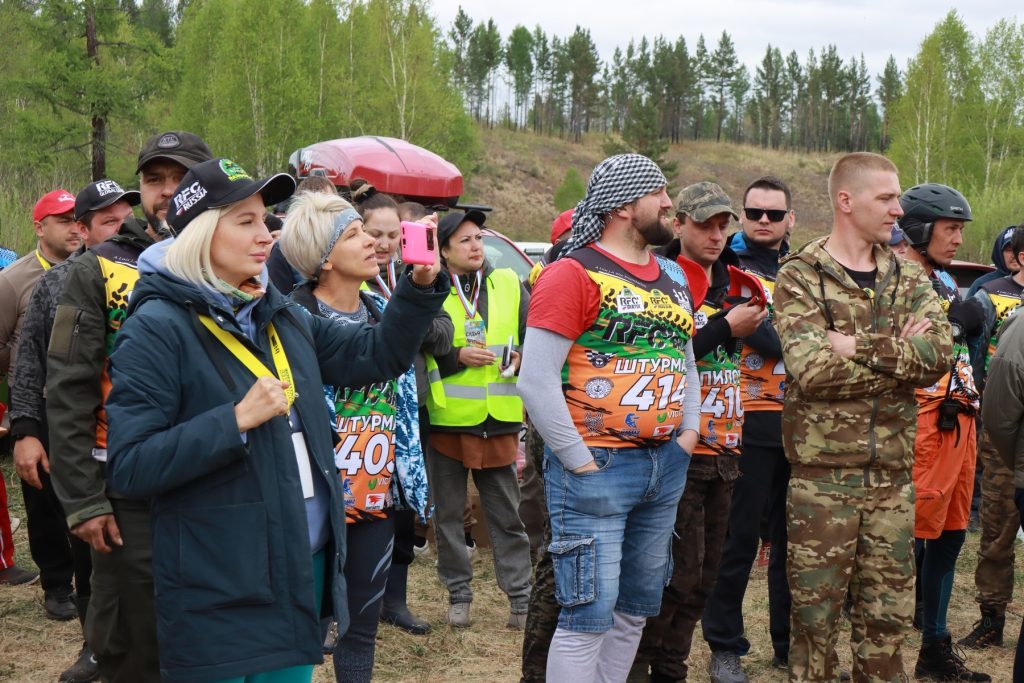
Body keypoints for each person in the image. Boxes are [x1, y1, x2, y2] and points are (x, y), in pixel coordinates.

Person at [104, 157, 447, 683]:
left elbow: (376, 354)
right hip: (218, 575)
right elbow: (130, 465)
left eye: (265, 218)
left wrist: (419, 289)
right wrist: (234, 420)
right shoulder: (156, 327)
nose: (265, 233)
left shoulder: (280, 315)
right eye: (244, 221)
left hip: (300, 560)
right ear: (199, 235)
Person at [519, 153, 699, 682]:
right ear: (624, 205)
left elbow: (683, 358)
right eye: (659, 193)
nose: (670, 203)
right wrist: (578, 461)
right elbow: (535, 379)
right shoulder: (572, 274)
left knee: (635, 609)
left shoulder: (670, 275)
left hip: (663, 466)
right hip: (596, 468)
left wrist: (686, 436)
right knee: (586, 615)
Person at [774, 152, 951, 682]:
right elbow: (812, 372)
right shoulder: (801, 275)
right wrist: (898, 354)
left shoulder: (907, 277)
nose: (899, 209)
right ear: (846, 202)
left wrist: (853, 345)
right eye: (887, 198)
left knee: (887, 625)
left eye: (897, 198)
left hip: (893, 483)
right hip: (822, 484)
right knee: (815, 625)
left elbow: (938, 358)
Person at [46, 130, 213, 683]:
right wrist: (83, 502)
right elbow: (69, 387)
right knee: (133, 639)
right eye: (153, 179)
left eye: (179, 177)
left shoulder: (243, 258)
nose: (165, 191)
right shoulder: (99, 266)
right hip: (125, 480)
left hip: (216, 474)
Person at [278, 190, 436, 680]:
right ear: (323, 258)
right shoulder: (292, 320)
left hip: (374, 496)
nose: (373, 243)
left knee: (361, 630)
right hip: (316, 504)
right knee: (308, 629)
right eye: (354, 235)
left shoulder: (383, 308)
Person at [634, 181, 767, 682]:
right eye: (704, 224)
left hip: (727, 447)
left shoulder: (737, 281)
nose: (715, 235)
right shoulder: (663, 278)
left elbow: (772, 337)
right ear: (679, 223)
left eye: (722, 225)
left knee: (706, 579)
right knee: (675, 575)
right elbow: (666, 352)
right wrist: (724, 328)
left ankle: (672, 669)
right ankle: (638, 667)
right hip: (679, 449)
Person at [9, 179, 139, 681]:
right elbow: (28, 364)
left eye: (124, 216)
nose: (120, 227)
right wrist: (25, 428)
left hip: (138, 438)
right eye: (107, 220)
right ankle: (94, 644)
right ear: (81, 231)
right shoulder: (54, 284)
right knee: (91, 549)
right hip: (80, 440)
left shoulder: (154, 268)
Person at [895, 183, 991, 681]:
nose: (957, 239)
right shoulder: (893, 278)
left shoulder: (947, 281)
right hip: (922, 423)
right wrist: (956, 323)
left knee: (952, 537)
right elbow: (902, 343)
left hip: (961, 418)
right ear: (918, 229)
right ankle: (884, 648)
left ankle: (934, 646)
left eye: (959, 229)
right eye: (949, 228)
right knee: (907, 537)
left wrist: (964, 322)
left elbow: (960, 331)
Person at [347, 189, 451, 636]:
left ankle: (396, 599)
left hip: (410, 410)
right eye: (375, 233)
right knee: (362, 505)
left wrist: (406, 317)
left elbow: (445, 333)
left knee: (404, 504)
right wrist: (397, 321)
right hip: (361, 410)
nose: (385, 243)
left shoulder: (415, 275)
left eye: (393, 234)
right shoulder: (353, 274)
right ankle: (349, 602)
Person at [702, 176, 794, 683]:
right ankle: (724, 644)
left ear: (789, 220)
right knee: (738, 537)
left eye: (774, 214)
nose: (763, 221)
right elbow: (766, 334)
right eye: (754, 212)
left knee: (794, 540)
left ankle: (788, 643)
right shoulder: (726, 269)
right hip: (746, 415)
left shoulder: (805, 269)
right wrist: (818, 344)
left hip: (803, 419)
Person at [424, 208, 533, 629]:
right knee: (449, 514)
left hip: (500, 418)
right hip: (449, 418)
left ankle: (520, 600)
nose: (475, 246)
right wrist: (457, 355)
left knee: (507, 515)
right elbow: (418, 341)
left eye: (479, 237)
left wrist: (523, 356)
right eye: (465, 240)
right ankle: (459, 595)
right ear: (445, 250)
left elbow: (531, 335)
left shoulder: (507, 281)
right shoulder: (428, 287)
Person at [0, 188, 80, 589]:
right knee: (43, 499)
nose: (73, 228)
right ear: (39, 226)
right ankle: (57, 582)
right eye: (63, 221)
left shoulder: (97, 268)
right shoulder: (14, 280)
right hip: (35, 403)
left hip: (83, 401)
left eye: (75, 219)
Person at [960, 224, 1024, 651]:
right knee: (998, 533)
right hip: (1006, 433)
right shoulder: (990, 292)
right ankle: (991, 618)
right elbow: (974, 354)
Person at [978, 306, 1024, 682]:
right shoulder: (1018, 321)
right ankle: (991, 618)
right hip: (1008, 455)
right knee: (997, 537)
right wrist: (1017, 461)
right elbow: (999, 412)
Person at [967, 225, 1020, 297]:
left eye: (1019, 249)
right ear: (1000, 253)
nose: (1014, 255)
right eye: (1009, 250)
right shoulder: (982, 285)